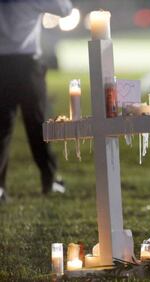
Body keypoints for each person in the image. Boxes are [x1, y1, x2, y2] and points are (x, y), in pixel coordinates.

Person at [0, 0, 72, 203]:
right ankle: (49, 180)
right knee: (38, 125)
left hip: (1, 65)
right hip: (27, 65)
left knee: (1, 128)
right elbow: (64, 9)